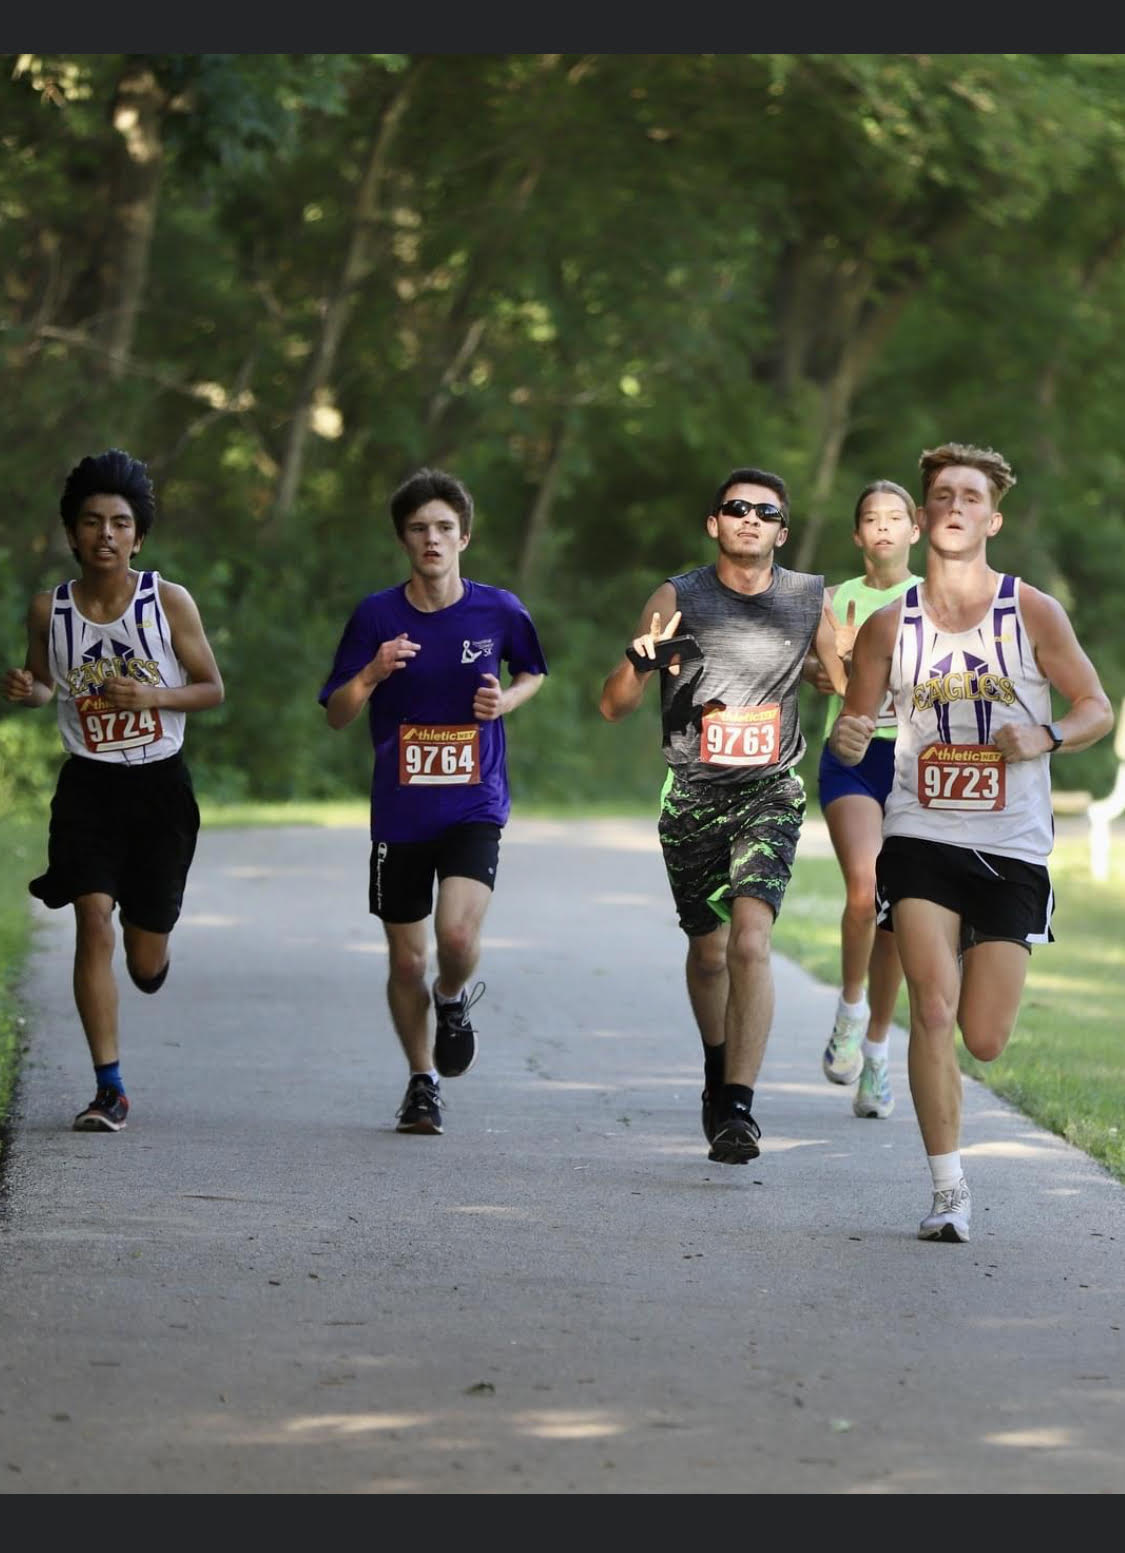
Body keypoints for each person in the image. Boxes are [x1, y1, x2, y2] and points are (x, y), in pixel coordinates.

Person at [830, 441, 1113, 1242]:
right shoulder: (891, 623)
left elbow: (1097, 706)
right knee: (932, 1007)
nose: (954, 506)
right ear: (921, 519)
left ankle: (964, 978)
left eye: (969, 496)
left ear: (993, 516)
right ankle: (947, 1189)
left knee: (982, 1037)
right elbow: (851, 740)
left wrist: (1048, 736)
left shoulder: (1030, 611)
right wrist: (851, 738)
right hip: (920, 831)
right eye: (941, 495)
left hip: (1012, 844)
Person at [599, 467, 846, 1165]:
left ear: (781, 531)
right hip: (692, 794)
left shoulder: (806, 598)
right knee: (707, 953)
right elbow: (613, 705)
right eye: (735, 509)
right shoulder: (678, 596)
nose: (749, 519)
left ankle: (738, 1105)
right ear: (714, 523)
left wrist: (840, 672)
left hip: (770, 789)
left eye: (764, 512)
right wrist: (638, 662)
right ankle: (716, 1066)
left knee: (748, 942)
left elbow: (843, 682)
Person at [318, 467, 547, 1137]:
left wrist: (504, 699)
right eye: (418, 528)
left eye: (444, 527)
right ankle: (422, 1082)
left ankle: (452, 998)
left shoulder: (498, 610)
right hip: (400, 811)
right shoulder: (375, 616)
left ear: (464, 536)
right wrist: (371, 670)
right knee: (405, 959)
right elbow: (336, 713)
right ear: (403, 539)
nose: (432, 538)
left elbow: (533, 668)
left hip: (475, 802)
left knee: (452, 938)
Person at [2, 448, 225, 1132]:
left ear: (138, 535)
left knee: (142, 951)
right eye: (92, 521)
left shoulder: (169, 601)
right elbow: (46, 683)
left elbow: (212, 688)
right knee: (91, 919)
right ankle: (109, 1087)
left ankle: (153, 950)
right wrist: (27, 689)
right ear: (72, 532)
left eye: (120, 522)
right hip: (89, 788)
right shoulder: (51, 609)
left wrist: (152, 694)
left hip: (160, 787)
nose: (106, 533)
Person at [805, 480, 920, 1119]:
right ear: (857, 535)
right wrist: (837, 664)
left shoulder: (936, 601)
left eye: (895, 517)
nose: (882, 527)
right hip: (853, 756)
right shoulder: (832, 602)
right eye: (870, 518)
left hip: (917, 762)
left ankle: (876, 1052)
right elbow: (833, 682)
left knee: (900, 909)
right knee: (865, 886)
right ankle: (851, 1010)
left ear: (916, 530)